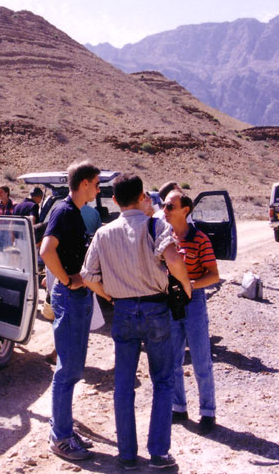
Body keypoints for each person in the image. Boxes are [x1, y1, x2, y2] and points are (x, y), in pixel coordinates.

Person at [81, 174, 191, 470]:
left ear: (114, 200)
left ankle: (127, 455)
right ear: (143, 195)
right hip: (156, 309)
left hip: (124, 311)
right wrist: (186, 287)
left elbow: (87, 276)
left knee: (123, 385)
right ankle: (159, 453)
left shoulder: (103, 233)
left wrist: (110, 295)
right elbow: (174, 260)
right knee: (163, 381)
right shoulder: (156, 225)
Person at [40, 161, 101, 461]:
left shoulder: (74, 212)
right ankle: (60, 437)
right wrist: (66, 280)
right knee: (67, 370)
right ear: (85, 183)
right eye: (97, 184)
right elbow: (45, 250)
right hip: (70, 296)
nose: (98, 190)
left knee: (74, 368)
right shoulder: (64, 211)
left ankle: (62, 427)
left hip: (78, 295)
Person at [162, 191, 220, 435]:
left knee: (201, 359)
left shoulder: (200, 239)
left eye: (170, 206)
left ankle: (207, 412)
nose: (164, 210)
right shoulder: (164, 237)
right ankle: (179, 408)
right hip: (170, 301)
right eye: (164, 205)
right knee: (173, 359)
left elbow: (214, 275)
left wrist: (191, 285)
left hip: (193, 301)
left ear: (185, 210)